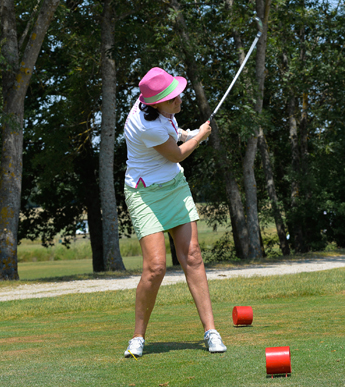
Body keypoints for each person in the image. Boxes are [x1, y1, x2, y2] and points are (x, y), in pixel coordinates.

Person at [123, 67, 227, 358]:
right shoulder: (147, 125)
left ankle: (211, 331)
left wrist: (186, 132)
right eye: (172, 98)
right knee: (155, 267)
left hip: (174, 187)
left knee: (192, 255)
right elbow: (178, 153)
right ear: (155, 103)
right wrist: (201, 135)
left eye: (177, 93)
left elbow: (174, 132)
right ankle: (138, 337)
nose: (179, 99)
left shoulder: (157, 109)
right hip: (144, 194)